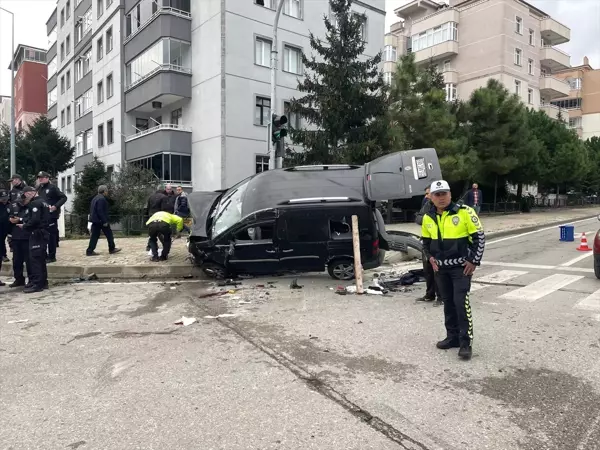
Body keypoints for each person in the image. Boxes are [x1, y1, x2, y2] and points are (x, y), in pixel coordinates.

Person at [421, 180, 485, 361]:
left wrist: (474, 260)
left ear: (450, 194)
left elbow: (479, 238)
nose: (441, 198)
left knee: (460, 303)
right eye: (437, 195)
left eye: (444, 194)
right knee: (448, 303)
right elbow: (425, 243)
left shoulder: (465, 212)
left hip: (460, 268)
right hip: (441, 269)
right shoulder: (428, 217)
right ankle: (452, 337)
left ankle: (465, 343)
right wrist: (430, 258)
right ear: (431, 197)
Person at [17, 186, 50, 293]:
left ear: (29, 193)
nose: (25, 197)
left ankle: (37, 284)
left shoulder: (35, 203)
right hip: (43, 232)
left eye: (25, 195)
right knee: (40, 258)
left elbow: (35, 220)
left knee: (35, 259)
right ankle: (43, 282)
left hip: (37, 233)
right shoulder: (43, 201)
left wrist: (25, 226)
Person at [415, 187, 441, 306]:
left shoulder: (443, 207)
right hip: (428, 241)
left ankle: (441, 297)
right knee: (428, 270)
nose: (426, 196)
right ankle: (430, 294)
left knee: (439, 271)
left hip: (440, 242)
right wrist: (427, 218)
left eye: (428, 193)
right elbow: (418, 218)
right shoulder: (427, 205)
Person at [36, 171, 67, 264]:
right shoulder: (39, 188)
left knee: (51, 237)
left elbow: (63, 197)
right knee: (42, 236)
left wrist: (56, 206)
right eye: (39, 177)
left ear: (47, 178)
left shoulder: (53, 188)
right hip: (42, 216)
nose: (40, 179)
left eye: (42, 177)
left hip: (51, 216)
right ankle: (44, 255)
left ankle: (52, 256)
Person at [86, 185, 121, 256]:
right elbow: (100, 211)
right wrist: (104, 221)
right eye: (106, 191)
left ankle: (89, 250)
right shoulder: (102, 199)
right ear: (104, 191)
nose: (107, 192)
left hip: (95, 220)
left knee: (94, 236)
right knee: (109, 234)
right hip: (101, 221)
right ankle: (112, 249)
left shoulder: (95, 198)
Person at [7, 196, 32, 288]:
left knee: (29, 260)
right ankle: (19, 279)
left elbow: (32, 220)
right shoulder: (14, 207)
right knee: (16, 260)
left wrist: (20, 219)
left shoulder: (31, 207)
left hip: (27, 237)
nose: (20, 203)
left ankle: (31, 279)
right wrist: (10, 219)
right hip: (16, 237)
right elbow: (9, 217)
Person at [0, 189, 10, 263]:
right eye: (2, 198)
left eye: (5, 198)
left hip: (10, 226)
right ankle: (3, 255)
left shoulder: (10, 204)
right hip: (1, 226)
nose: (4, 200)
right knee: (1, 241)